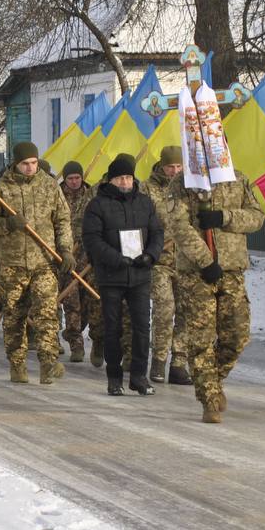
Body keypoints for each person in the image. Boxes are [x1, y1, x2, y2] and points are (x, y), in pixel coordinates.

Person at [169, 168, 265, 423]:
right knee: (200, 339)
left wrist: (224, 217)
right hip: (197, 273)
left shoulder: (238, 178)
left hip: (232, 270)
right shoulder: (182, 182)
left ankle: (213, 378)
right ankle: (209, 399)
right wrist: (205, 260)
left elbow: (257, 218)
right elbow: (179, 226)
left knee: (237, 335)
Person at [0, 141, 74, 385]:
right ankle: (17, 364)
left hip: (43, 262)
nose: (30, 168)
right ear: (16, 163)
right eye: (25, 164)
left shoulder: (49, 186)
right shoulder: (1, 189)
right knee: (15, 316)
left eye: (34, 163)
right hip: (13, 265)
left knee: (47, 313)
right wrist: (7, 225)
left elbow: (63, 220)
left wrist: (66, 250)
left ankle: (48, 363)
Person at [83, 153, 165, 396]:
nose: (125, 183)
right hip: (111, 275)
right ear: (111, 180)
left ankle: (139, 376)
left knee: (142, 326)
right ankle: (114, 377)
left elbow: (157, 232)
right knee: (113, 327)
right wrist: (116, 259)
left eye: (128, 177)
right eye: (120, 178)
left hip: (140, 274)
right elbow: (92, 239)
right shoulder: (97, 205)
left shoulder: (144, 202)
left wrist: (150, 255)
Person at [140, 146, 191, 384]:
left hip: (186, 260)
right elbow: (139, 221)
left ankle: (179, 362)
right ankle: (159, 360)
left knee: (186, 310)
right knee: (164, 307)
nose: (175, 171)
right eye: (171, 166)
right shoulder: (147, 189)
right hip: (159, 260)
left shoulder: (190, 187)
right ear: (162, 166)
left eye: (179, 166)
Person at [58, 161, 99, 365]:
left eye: (77, 178)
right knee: (71, 301)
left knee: (91, 302)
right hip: (66, 258)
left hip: (89, 257)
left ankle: (80, 331)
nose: (74, 182)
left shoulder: (91, 196)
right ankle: (76, 343)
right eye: (70, 178)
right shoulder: (57, 196)